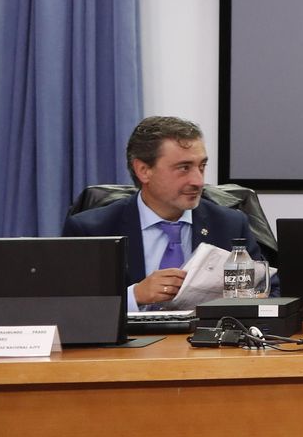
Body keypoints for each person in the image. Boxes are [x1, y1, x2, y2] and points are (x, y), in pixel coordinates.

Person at [63, 116, 265, 310]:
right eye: (184, 168)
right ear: (143, 170)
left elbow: (270, 292)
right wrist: (134, 296)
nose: (198, 181)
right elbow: (69, 307)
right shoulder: (93, 230)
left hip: (208, 343)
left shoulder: (229, 224)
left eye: (201, 166)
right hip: (128, 344)